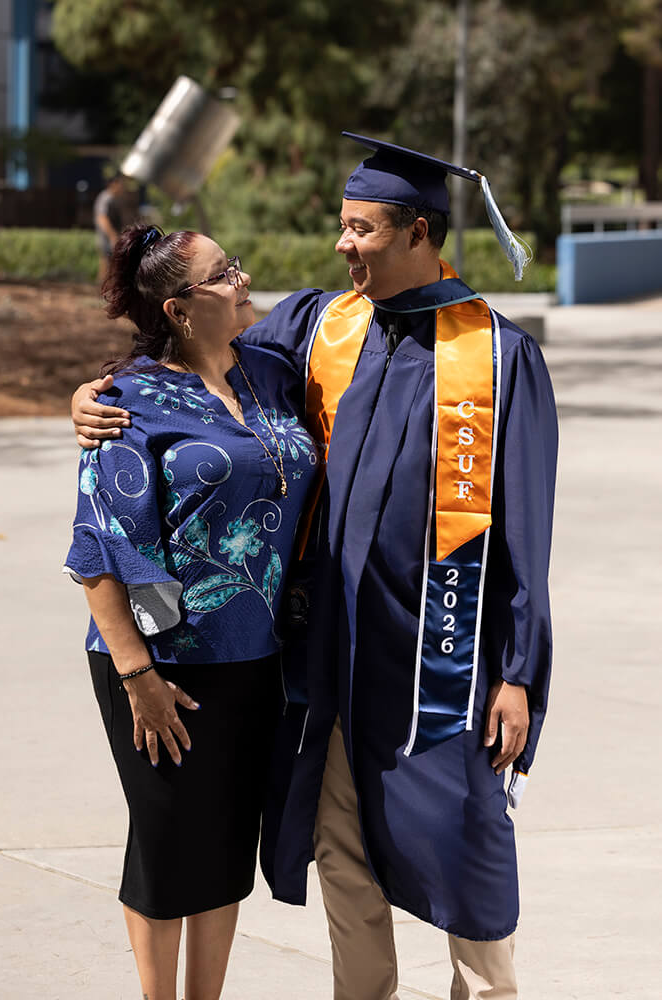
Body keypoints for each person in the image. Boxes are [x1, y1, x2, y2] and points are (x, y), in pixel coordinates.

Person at [72, 134, 558, 1000]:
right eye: (341, 224)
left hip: (440, 654)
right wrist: (98, 393)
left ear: (417, 233)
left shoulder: (496, 354)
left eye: (360, 228)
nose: (341, 245)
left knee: (467, 843)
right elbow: (190, 359)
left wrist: (518, 672)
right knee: (342, 851)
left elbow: (527, 528)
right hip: (330, 653)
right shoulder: (320, 325)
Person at [64, 222, 318, 1000]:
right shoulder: (127, 400)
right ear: (178, 308)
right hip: (157, 662)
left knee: (225, 843)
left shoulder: (271, 373)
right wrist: (137, 672)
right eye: (223, 273)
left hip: (256, 652)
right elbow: (100, 549)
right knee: (168, 841)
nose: (241, 279)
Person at [93, 173, 126, 281]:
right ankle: (101, 290)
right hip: (106, 238)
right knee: (107, 264)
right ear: (114, 184)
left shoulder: (112, 198)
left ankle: (102, 290)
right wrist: (112, 236)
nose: (122, 187)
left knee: (109, 264)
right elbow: (102, 218)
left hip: (110, 237)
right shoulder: (106, 198)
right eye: (121, 184)